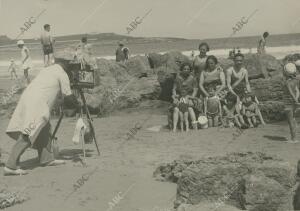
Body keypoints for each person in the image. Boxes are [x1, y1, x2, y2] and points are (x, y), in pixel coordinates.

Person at [4, 58, 80, 175]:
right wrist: (79, 105)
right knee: (29, 131)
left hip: (28, 97)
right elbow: (68, 98)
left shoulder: (47, 69)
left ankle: (46, 158)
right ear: (65, 63)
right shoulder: (62, 73)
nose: (72, 66)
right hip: (38, 103)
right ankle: (11, 165)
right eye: (71, 64)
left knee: (45, 128)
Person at [172, 63, 199, 132]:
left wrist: (191, 98)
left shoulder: (192, 78)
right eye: (184, 69)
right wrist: (175, 97)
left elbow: (195, 89)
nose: (186, 70)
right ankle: (174, 127)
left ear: (190, 70)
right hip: (180, 96)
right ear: (181, 70)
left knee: (190, 107)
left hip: (189, 96)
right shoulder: (178, 78)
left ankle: (194, 126)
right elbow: (174, 89)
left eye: (188, 69)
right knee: (176, 109)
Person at [283, 63, 300, 143]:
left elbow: (290, 93)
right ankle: (295, 137)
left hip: (288, 103)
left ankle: (294, 139)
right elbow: (297, 91)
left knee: (290, 122)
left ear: (285, 72)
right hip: (293, 104)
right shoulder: (295, 81)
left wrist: (295, 100)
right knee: (293, 120)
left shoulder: (287, 82)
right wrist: (296, 100)